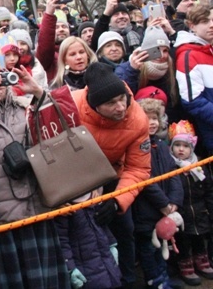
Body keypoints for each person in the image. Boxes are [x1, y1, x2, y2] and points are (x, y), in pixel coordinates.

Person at [0, 66, 71, 288]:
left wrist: (37, 92)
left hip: (36, 211)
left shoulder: (24, 107)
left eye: (1, 79)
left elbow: (61, 130)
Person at [72, 62, 151, 288]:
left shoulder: (137, 119)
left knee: (125, 230)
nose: (120, 108)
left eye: (122, 99)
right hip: (73, 181)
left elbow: (139, 169)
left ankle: (127, 281)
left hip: (113, 180)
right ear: (95, 105)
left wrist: (118, 201)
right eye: (110, 103)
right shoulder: (71, 105)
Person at [132, 99, 183, 288]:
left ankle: (164, 278)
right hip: (146, 212)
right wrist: (163, 204)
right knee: (149, 249)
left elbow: (174, 173)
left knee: (163, 246)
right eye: (147, 118)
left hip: (166, 209)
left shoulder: (161, 145)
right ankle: (155, 281)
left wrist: (174, 202)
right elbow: (144, 180)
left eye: (155, 118)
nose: (152, 122)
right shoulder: (137, 147)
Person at [169, 120, 213, 286]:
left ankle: (202, 259)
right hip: (183, 212)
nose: (181, 149)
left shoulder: (200, 167)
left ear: (192, 148)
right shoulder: (171, 168)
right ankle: (185, 263)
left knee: (200, 237)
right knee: (183, 240)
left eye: (185, 146)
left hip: (200, 210)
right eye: (177, 145)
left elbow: (209, 190)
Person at [116, 25, 182, 123]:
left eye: (165, 51)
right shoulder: (126, 69)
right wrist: (132, 70)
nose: (161, 56)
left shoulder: (172, 68)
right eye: (156, 50)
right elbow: (121, 97)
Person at [175, 5, 213, 154]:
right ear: (192, 26)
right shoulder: (188, 55)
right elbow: (192, 100)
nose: (211, 25)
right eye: (205, 21)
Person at [36, 0, 72, 82]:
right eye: (56, 27)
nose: (61, 30)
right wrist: (49, 13)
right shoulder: (47, 56)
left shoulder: (78, 48)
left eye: (64, 27)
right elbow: (46, 45)